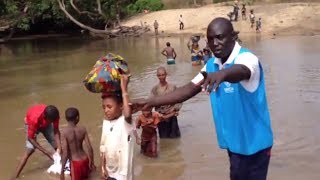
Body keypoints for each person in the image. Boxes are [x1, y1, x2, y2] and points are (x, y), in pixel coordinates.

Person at [133, 17, 273, 180]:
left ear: (234, 36)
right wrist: (149, 102)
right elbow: (187, 90)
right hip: (235, 142)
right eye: (211, 39)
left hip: (255, 144)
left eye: (220, 37)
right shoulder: (212, 65)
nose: (215, 43)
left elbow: (241, 71)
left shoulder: (248, 59)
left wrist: (222, 74)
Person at [100, 75, 136, 180]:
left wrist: (124, 88)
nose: (106, 110)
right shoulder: (106, 123)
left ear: (121, 106)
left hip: (123, 174)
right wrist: (102, 168)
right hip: (109, 172)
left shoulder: (125, 122)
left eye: (109, 107)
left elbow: (128, 113)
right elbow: (102, 148)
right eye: (104, 107)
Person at [14, 104, 61, 178]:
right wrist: (47, 153)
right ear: (46, 118)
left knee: (56, 145)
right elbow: (30, 138)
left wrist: (59, 148)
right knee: (30, 150)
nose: (53, 122)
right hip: (31, 124)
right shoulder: (34, 119)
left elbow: (56, 131)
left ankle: (65, 166)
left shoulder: (54, 115)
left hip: (45, 124)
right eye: (51, 121)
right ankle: (15, 176)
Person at [60, 107, 95, 180]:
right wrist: (92, 163)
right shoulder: (82, 129)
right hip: (85, 160)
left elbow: (65, 153)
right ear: (77, 117)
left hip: (75, 163)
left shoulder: (64, 132)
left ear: (66, 118)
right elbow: (89, 148)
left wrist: (62, 171)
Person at [151, 67, 182, 138]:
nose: (161, 77)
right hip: (160, 116)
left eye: (163, 75)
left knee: (175, 137)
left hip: (172, 114)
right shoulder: (155, 89)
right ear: (157, 76)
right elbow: (151, 102)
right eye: (159, 75)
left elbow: (179, 99)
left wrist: (175, 109)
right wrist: (152, 115)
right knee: (163, 138)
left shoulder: (172, 87)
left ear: (166, 75)